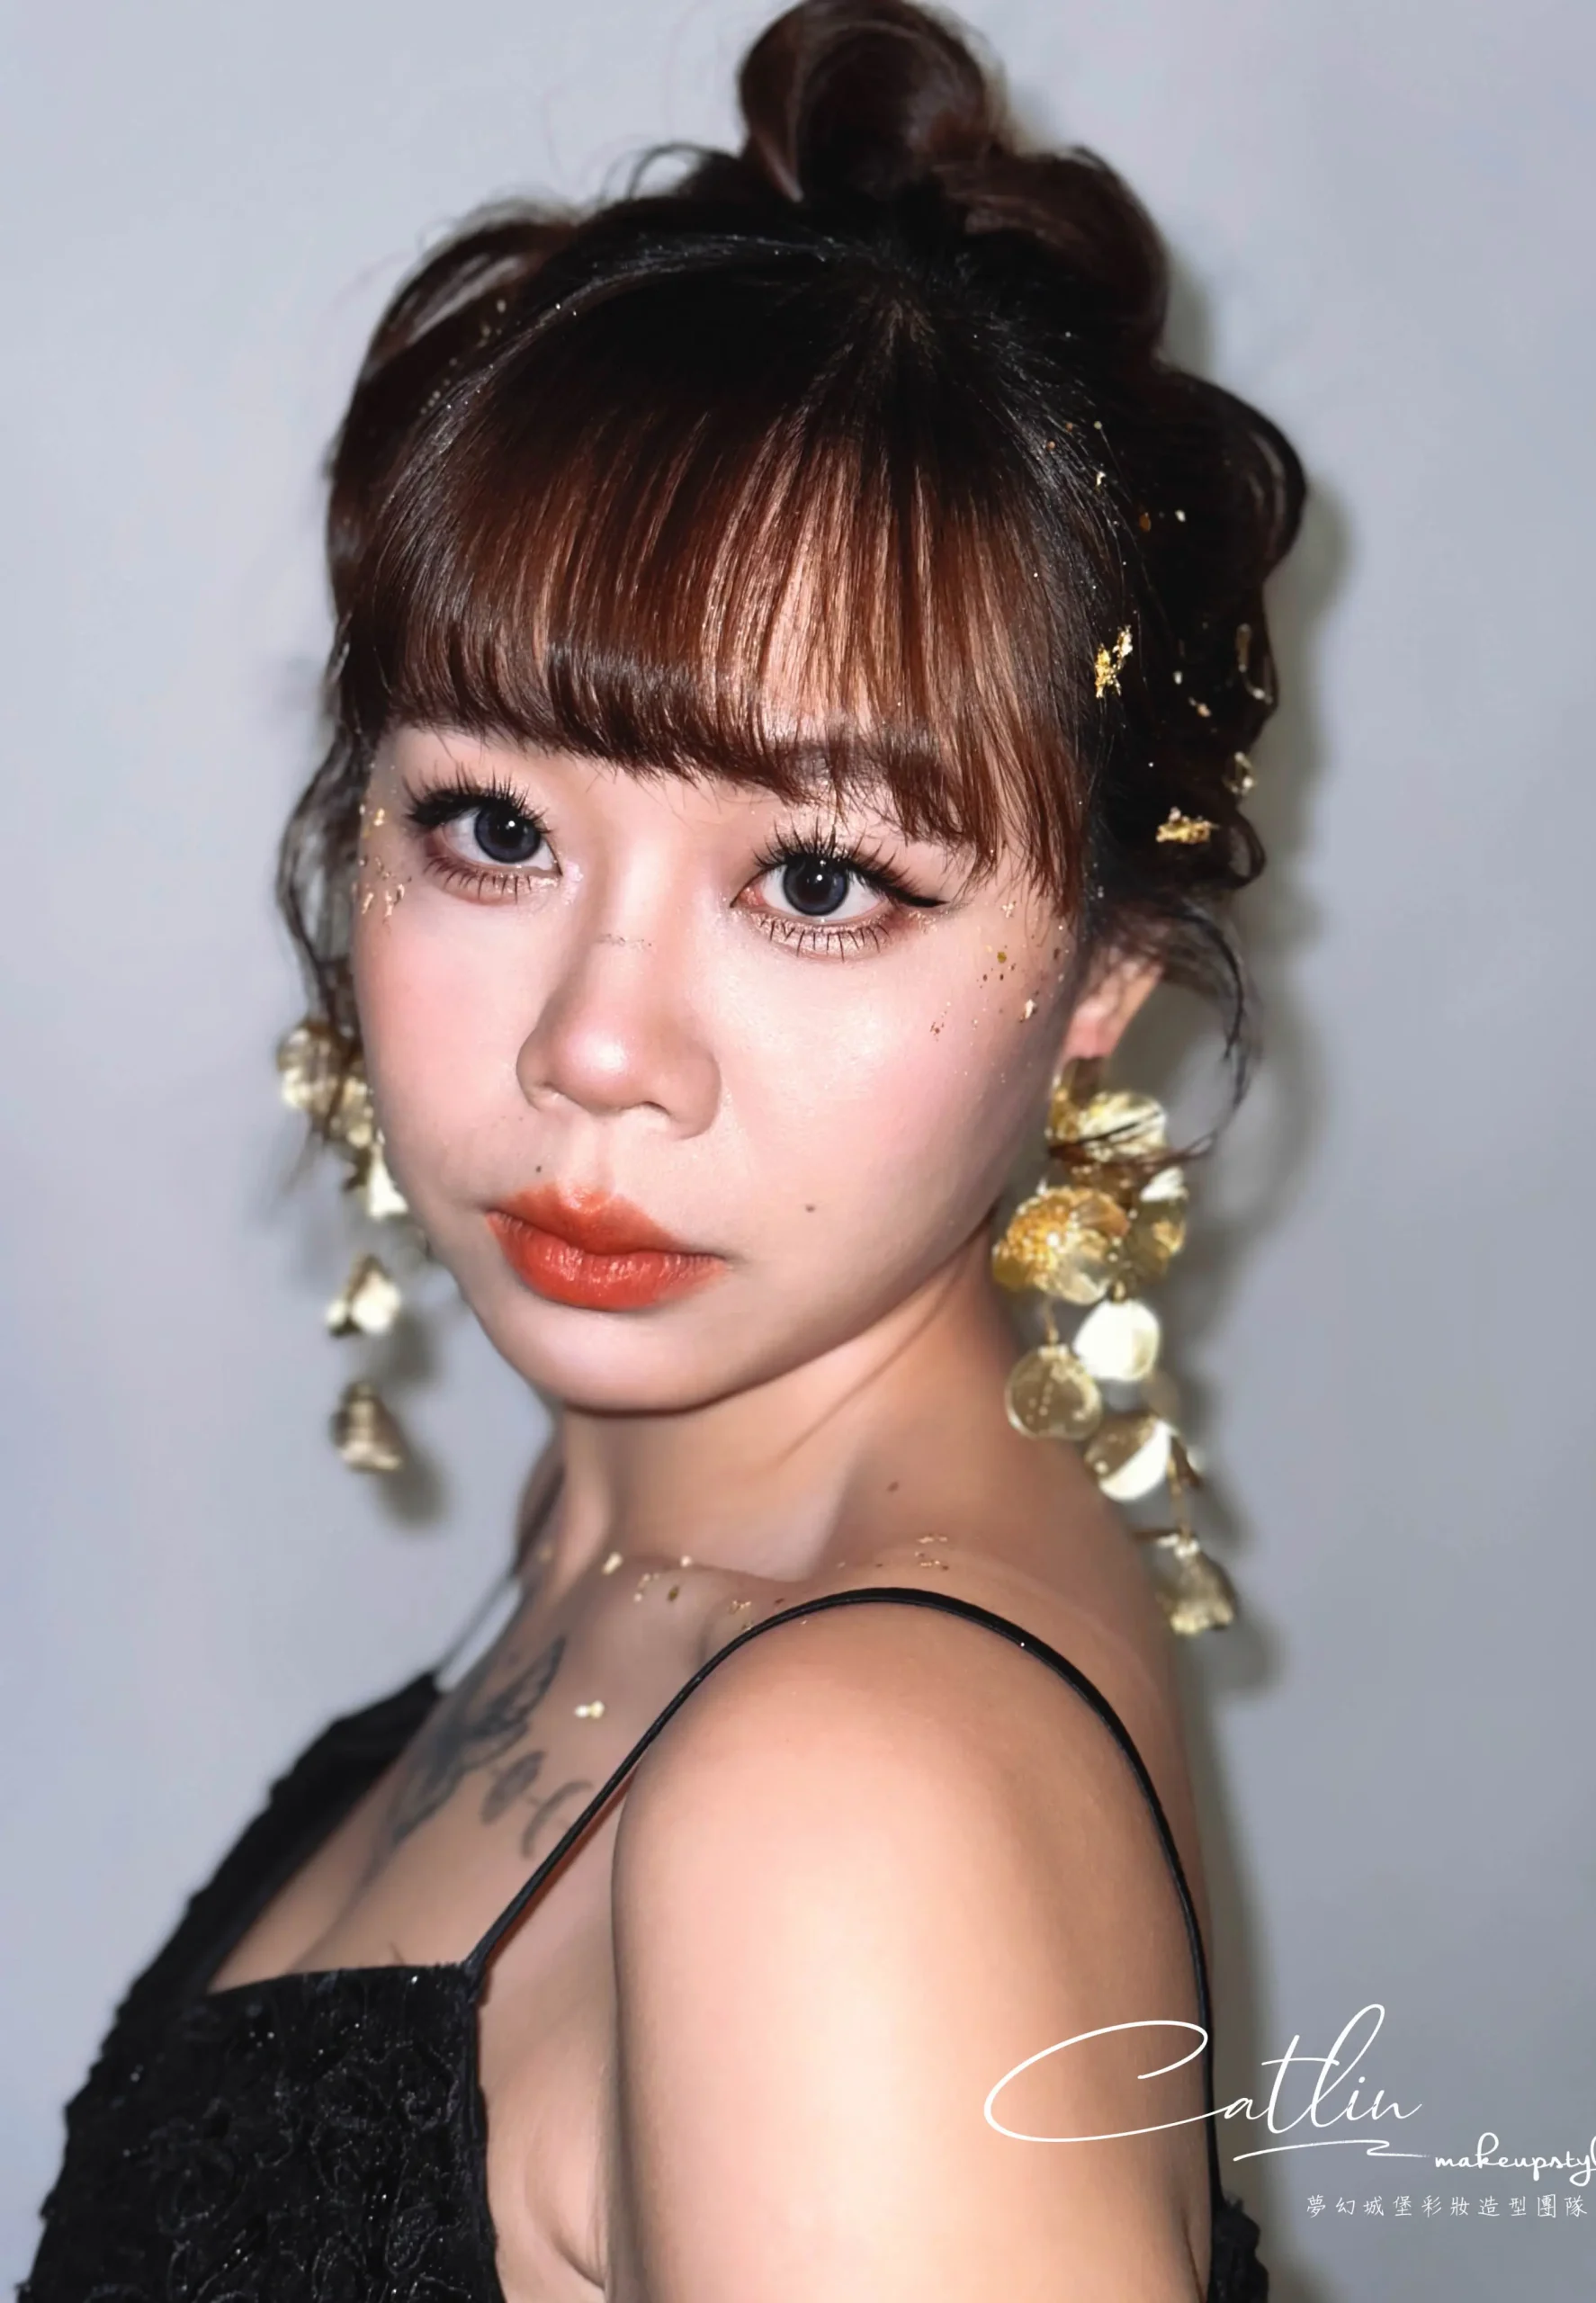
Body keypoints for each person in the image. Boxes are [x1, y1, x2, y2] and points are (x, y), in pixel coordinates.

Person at [22, 2, 1302, 2296]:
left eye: (817, 877)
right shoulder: (631, 1533)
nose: (600, 1048)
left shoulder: (855, 1802)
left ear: (1104, 971)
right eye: (494, 827)